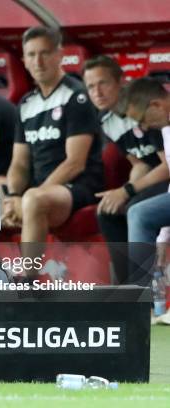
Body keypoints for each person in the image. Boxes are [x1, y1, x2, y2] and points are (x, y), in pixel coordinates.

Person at [3, 26, 104, 276]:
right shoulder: (26, 103)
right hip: (39, 188)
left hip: (77, 187)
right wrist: (13, 196)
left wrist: (29, 197)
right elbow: (19, 163)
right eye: (31, 54)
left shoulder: (77, 96)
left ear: (60, 55)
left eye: (45, 53)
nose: (38, 61)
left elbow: (75, 163)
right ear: (24, 60)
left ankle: (27, 284)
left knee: (34, 201)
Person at [83, 56, 168, 283]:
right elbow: (139, 163)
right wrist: (120, 192)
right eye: (90, 86)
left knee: (135, 208)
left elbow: (166, 165)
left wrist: (128, 191)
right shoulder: (106, 120)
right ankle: (126, 287)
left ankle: (143, 292)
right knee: (107, 211)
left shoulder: (144, 108)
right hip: (152, 178)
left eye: (103, 83)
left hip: (164, 177)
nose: (97, 92)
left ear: (121, 81)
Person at [124, 78, 170, 283]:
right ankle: (145, 300)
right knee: (139, 214)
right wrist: (163, 237)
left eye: (142, 119)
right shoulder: (166, 128)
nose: (143, 126)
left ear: (156, 105)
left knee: (139, 213)